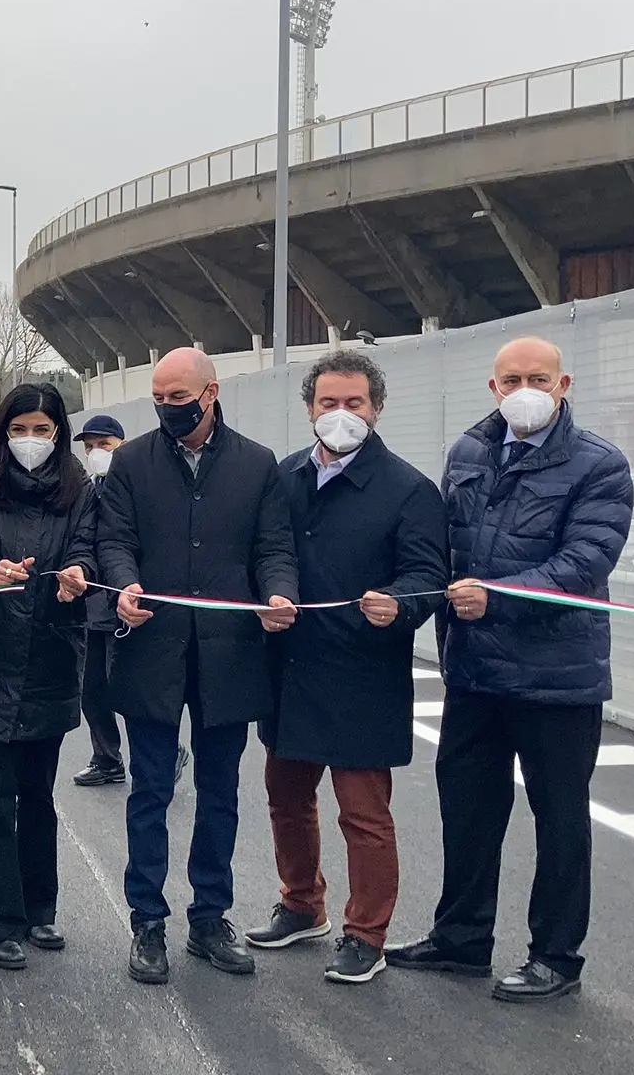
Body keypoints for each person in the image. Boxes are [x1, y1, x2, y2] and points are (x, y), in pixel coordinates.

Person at [388, 337, 633, 1004]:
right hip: (472, 671)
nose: (526, 388)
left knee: (559, 817)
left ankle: (556, 955)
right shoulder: (468, 452)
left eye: (540, 378)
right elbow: (441, 548)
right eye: (513, 378)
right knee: (467, 810)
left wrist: (499, 596)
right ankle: (461, 938)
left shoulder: (599, 466)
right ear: (493, 388)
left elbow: (585, 562)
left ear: (564, 384)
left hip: (558, 677)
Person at [96, 345, 297, 985]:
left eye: (178, 398)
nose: (166, 409)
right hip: (151, 650)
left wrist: (277, 593)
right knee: (149, 792)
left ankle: (210, 918)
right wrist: (124, 586)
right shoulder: (130, 463)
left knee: (220, 796)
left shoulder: (257, 466)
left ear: (211, 394)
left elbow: (273, 546)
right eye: (158, 398)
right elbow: (114, 541)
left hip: (228, 655)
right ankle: (147, 924)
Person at [246, 351, 448, 984]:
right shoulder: (281, 480)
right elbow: (262, 554)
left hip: (365, 670)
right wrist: (265, 599)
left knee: (363, 812)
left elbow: (427, 575)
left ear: (376, 408)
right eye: (328, 403)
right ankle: (302, 904)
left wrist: (401, 604)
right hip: (292, 667)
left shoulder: (409, 490)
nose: (340, 415)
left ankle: (367, 934)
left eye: (354, 403)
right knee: (286, 796)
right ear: (309, 408)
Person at [0, 383, 95, 970]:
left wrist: (79, 571)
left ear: (59, 433)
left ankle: (40, 908)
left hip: (50, 661)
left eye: (43, 429)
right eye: (20, 428)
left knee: (38, 795)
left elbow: (90, 548)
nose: (31, 440)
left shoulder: (79, 491)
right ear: (3, 431)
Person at [70, 415, 190, 791]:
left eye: (103, 445)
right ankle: (106, 758)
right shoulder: (85, 490)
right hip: (93, 605)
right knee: (91, 691)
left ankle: (165, 754)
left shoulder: (142, 484)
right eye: (89, 447)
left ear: (123, 443)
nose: (95, 453)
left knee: (130, 690)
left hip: (129, 602)